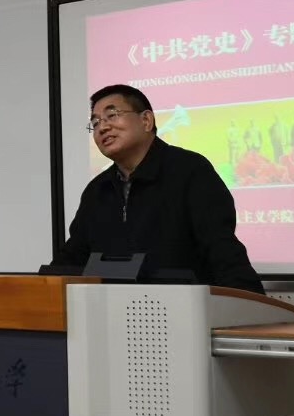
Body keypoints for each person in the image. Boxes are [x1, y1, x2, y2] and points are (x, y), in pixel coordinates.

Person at [55, 84, 262, 291]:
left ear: (146, 120)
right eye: (95, 122)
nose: (102, 127)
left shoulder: (189, 170)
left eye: (112, 115)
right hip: (112, 306)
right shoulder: (97, 190)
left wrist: (245, 300)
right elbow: (73, 257)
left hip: (183, 304)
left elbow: (220, 248)